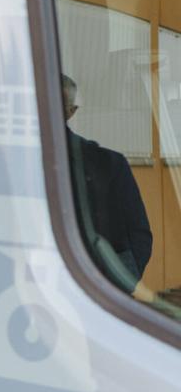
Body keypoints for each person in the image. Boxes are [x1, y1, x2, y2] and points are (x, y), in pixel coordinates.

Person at [62, 75, 153, 291]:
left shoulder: (107, 164)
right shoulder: (6, 162)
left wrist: (120, 284)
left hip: (97, 289)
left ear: (71, 111)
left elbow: (138, 233)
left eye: (57, 103)